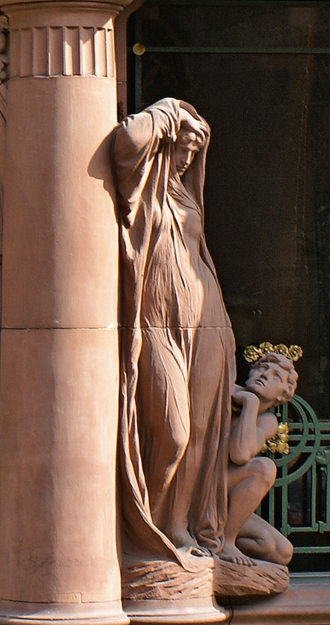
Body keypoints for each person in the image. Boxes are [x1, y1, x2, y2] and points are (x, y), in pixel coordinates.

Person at [113, 98, 236, 565]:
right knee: (174, 431)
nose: (187, 159)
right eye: (183, 146)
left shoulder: (186, 195)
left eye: (195, 150)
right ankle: (148, 529)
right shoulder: (143, 187)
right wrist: (168, 112)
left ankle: (179, 525)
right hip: (158, 322)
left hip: (206, 320)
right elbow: (128, 141)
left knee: (202, 432)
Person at [222, 352, 295, 566]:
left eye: (276, 376)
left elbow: (241, 452)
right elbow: (241, 455)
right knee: (264, 468)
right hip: (202, 489)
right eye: (261, 369)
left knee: (282, 552)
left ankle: (222, 534)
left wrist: (250, 404)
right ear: (250, 373)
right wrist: (250, 400)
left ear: (283, 395)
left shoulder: (267, 420)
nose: (264, 375)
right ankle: (225, 542)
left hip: (223, 496)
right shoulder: (227, 392)